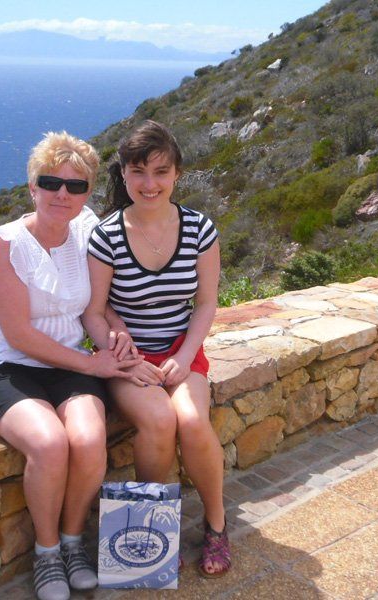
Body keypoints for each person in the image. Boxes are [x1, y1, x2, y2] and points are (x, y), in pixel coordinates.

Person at [0, 131, 141, 600]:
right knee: (50, 443)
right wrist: (92, 366)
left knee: (89, 438)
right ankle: (47, 551)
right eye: (51, 182)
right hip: (8, 367)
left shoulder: (87, 232)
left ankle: (74, 541)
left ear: (87, 194)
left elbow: (96, 306)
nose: (63, 193)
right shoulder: (3, 245)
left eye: (76, 186)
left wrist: (117, 340)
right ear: (32, 186)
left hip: (71, 364)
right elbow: (18, 335)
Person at [83, 120, 231, 578]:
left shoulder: (199, 229)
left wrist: (185, 357)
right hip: (127, 359)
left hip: (182, 349)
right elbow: (93, 311)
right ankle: (152, 530)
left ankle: (217, 525)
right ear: (123, 175)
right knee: (159, 418)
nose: (150, 184)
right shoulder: (107, 236)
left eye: (160, 172)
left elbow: (206, 303)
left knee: (190, 419)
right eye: (138, 172)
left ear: (177, 174)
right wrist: (122, 355)